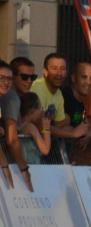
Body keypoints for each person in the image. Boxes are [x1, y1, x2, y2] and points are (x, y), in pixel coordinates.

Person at [1, 58, 32, 190]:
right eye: (1, 78)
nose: (6, 82)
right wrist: (5, 165)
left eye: (9, 78)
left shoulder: (11, 97)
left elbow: (12, 139)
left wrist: (24, 169)